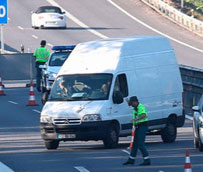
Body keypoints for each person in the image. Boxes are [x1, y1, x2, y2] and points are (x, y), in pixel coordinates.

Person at [123, 96, 151, 166]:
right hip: (137, 126)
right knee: (135, 144)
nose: (131, 105)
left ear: (135, 102)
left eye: (132, 103)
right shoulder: (135, 107)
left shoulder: (141, 107)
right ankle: (131, 160)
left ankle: (147, 160)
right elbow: (131, 105)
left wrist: (136, 119)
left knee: (140, 144)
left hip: (142, 126)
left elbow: (144, 115)